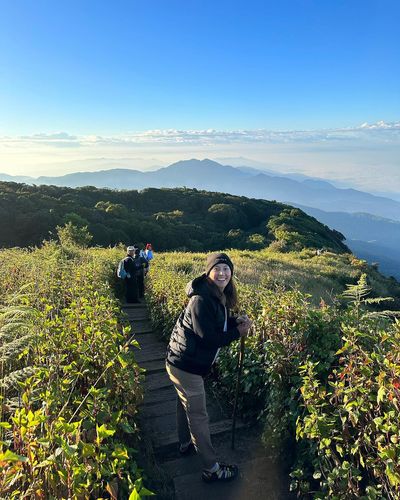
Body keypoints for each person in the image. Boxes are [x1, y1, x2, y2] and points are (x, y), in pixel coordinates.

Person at [166, 252, 252, 483]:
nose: (222, 273)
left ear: (231, 272)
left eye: (226, 269)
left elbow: (215, 323)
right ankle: (211, 468)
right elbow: (209, 338)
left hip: (181, 361)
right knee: (198, 415)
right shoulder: (202, 300)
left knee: (184, 405)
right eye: (218, 269)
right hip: (187, 365)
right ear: (208, 272)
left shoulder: (212, 295)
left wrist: (234, 321)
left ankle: (185, 444)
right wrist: (238, 332)